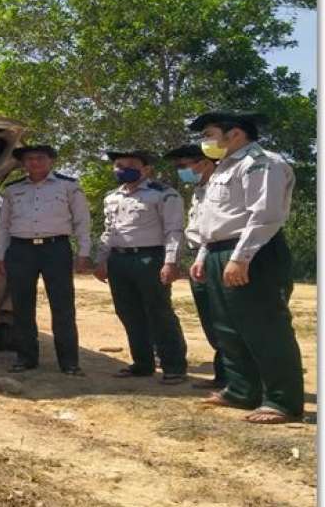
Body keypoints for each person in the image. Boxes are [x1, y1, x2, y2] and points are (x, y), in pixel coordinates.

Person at [188, 111, 303, 423]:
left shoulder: (262, 163)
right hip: (219, 251)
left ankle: (282, 400)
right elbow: (212, 220)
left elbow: (265, 215)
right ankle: (241, 390)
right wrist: (203, 256)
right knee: (227, 327)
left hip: (252, 251)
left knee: (264, 326)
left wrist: (241, 257)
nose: (204, 141)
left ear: (235, 134)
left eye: (209, 134)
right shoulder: (225, 167)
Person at [0, 145, 92, 374]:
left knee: (63, 306)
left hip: (55, 249)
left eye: (39, 158)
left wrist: (83, 252)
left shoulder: (69, 186)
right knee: (21, 306)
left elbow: (82, 221)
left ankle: (69, 363)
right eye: (29, 159)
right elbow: (3, 226)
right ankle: (25, 358)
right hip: (20, 250)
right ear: (23, 163)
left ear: (51, 161)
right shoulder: (13, 190)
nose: (34, 162)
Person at [93, 149, 188, 384]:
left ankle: (174, 366)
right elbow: (109, 231)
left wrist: (171, 262)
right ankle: (142, 363)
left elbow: (174, 230)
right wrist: (101, 260)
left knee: (159, 312)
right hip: (119, 260)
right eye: (119, 165)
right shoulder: (112, 197)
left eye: (131, 165)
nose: (124, 169)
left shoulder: (163, 194)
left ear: (146, 169)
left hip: (150, 259)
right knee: (128, 312)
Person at [164, 144, 224, 389]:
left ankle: (242, 379)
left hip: (219, 254)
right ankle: (225, 376)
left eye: (183, 166)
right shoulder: (199, 190)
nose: (181, 171)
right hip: (199, 257)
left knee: (227, 319)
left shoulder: (225, 187)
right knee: (212, 321)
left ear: (205, 163)